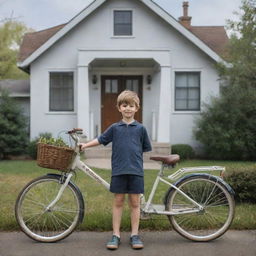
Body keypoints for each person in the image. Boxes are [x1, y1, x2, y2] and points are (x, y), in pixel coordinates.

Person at [80, 90, 152, 250]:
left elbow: (146, 149)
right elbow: (100, 139)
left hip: (136, 171)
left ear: (136, 108)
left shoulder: (141, 129)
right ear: (119, 108)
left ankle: (135, 235)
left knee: (135, 203)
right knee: (118, 201)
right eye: (124, 105)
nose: (128, 108)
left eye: (131, 105)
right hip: (119, 170)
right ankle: (116, 235)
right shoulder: (115, 128)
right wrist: (85, 145)